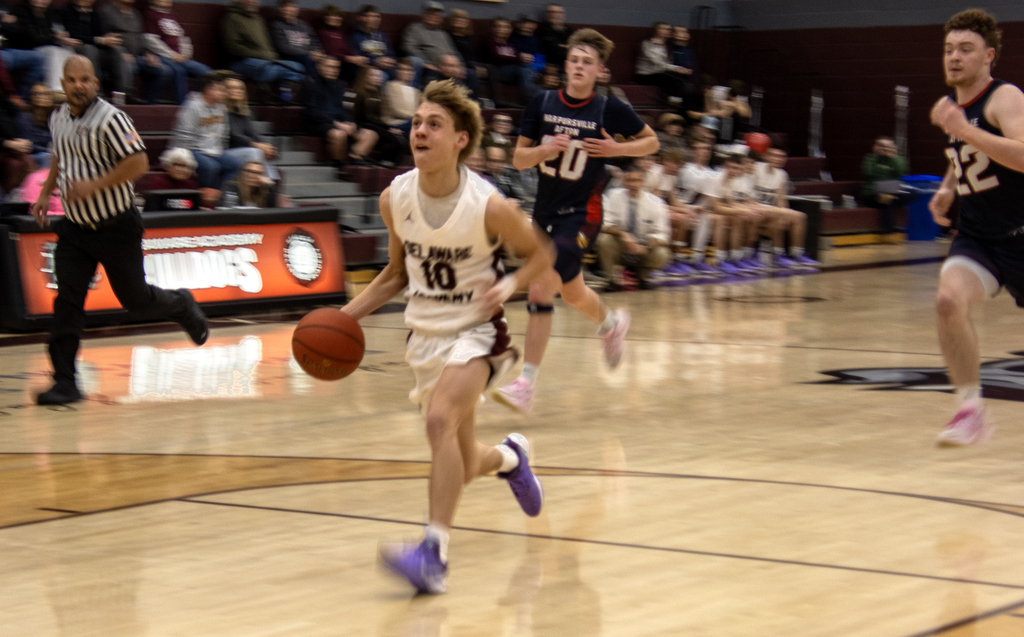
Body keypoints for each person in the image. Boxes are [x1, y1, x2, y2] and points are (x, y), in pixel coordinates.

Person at [340, 78, 551, 595]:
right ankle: (510, 459)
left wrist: (509, 283)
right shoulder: (396, 198)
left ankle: (433, 555)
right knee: (460, 455)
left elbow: (543, 255)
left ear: (461, 139)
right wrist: (343, 318)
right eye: (416, 122)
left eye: (434, 124)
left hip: (479, 331)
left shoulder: (490, 205)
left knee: (438, 420)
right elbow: (395, 274)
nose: (420, 131)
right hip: (425, 336)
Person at [494, 29, 659, 414]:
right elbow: (518, 160)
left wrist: (619, 148)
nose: (580, 66)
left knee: (540, 287)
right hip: (546, 212)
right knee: (571, 293)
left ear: (600, 71)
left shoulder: (608, 108)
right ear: (565, 66)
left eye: (588, 62)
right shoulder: (542, 102)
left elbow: (651, 142)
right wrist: (544, 149)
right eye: (575, 60)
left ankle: (525, 384)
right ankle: (612, 323)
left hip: (584, 216)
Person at [31, 55, 207, 405]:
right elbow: (60, 155)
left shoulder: (112, 118)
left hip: (116, 226)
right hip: (75, 229)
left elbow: (139, 162)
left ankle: (181, 304)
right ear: (63, 84)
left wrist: (94, 185)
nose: (78, 85)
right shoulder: (57, 117)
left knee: (136, 301)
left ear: (95, 83)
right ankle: (65, 381)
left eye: (85, 79)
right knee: (67, 302)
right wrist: (45, 190)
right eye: (71, 79)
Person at [927, 9, 1024, 445]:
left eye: (965, 49)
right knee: (948, 301)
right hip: (980, 236)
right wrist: (949, 186)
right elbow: (969, 152)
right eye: (949, 49)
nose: (954, 57)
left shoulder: (1005, 98)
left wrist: (964, 129)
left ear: (989, 56)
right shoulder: (956, 108)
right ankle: (970, 410)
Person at [170, 73, 265, 188]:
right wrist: (186, 159)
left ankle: (222, 196)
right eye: (220, 90)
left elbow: (224, 132)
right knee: (211, 167)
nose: (224, 94)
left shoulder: (221, 107)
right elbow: (183, 136)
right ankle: (204, 199)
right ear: (208, 89)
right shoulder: (192, 107)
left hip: (214, 151)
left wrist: (222, 148)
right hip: (192, 150)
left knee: (237, 165)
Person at [598, 163, 671, 290]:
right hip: (620, 245)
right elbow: (604, 224)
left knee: (663, 253)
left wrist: (645, 246)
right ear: (623, 181)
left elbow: (663, 234)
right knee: (603, 240)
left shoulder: (657, 203)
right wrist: (624, 235)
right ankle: (611, 280)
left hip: (643, 248)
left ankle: (642, 277)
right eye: (630, 180)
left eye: (637, 180)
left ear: (643, 182)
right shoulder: (611, 196)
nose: (633, 184)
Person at [222, 0, 304, 99]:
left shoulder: (258, 19)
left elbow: (268, 45)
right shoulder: (231, 18)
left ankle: (284, 96)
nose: (254, 2)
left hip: (267, 60)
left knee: (298, 67)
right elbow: (233, 48)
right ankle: (263, 96)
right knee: (268, 69)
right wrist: (263, 56)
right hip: (241, 62)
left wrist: (271, 55)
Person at [752, 146, 818, 268]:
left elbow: (781, 199)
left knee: (800, 217)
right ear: (766, 156)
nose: (778, 159)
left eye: (782, 157)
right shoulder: (756, 168)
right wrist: (780, 213)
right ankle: (777, 254)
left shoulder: (782, 174)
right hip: (754, 209)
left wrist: (785, 213)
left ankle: (796, 254)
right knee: (778, 216)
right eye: (775, 155)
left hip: (771, 211)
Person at [100, 0, 171, 104]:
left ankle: (146, 103)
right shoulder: (106, 11)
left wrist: (148, 53)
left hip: (138, 57)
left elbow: (141, 38)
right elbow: (104, 37)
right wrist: (120, 52)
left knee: (165, 71)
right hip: (117, 56)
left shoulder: (136, 14)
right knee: (128, 66)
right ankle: (122, 103)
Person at [303, 55, 366, 172]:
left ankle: (354, 161)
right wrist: (338, 124)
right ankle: (340, 167)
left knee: (370, 135)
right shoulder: (311, 82)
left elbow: (347, 108)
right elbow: (312, 112)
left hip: (339, 121)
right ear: (319, 66)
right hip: (318, 122)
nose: (333, 70)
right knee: (339, 134)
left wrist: (350, 122)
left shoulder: (342, 84)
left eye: (336, 68)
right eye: (329, 67)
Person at [144, 0, 212, 104]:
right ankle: (182, 106)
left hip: (181, 57)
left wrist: (186, 53)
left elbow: (183, 37)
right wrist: (172, 55)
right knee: (179, 71)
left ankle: (200, 105)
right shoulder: (150, 15)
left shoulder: (171, 16)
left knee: (207, 72)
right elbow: (151, 41)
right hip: (162, 56)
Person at [673, 139, 721, 275]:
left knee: (706, 217)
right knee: (697, 217)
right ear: (693, 151)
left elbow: (711, 199)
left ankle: (697, 259)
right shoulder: (685, 169)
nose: (704, 151)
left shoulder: (713, 173)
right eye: (700, 148)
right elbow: (676, 193)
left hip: (699, 209)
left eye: (707, 149)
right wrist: (687, 207)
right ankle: (678, 260)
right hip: (682, 206)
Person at [9, 0, 73, 92]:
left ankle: (69, 87)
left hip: (46, 45)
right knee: (53, 51)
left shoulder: (51, 13)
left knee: (68, 50)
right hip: (29, 48)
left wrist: (61, 35)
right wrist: (56, 39)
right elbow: (33, 39)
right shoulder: (22, 12)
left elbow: (56, 30)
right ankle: (56, 88)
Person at [224, 75, 280, 180]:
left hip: (241, 150)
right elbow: (233, 134)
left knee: (264, 151)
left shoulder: (242, 112)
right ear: (224, 91)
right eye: (232, 88)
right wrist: (256, 145)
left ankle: (273, 188)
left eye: (240, 88)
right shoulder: (221, 110)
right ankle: (266, 184)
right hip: (225, 151)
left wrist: (266, 147)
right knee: (254, 151)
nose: (237, 91)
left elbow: (252, 133)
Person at [62, 0, 123, 95]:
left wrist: (107, 39)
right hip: (76, 48)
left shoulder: (95, 14)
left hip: (95, 48)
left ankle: (122, 93)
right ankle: (96, 91)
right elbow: (74, 35)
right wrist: (98, 40)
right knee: (91, 50)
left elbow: (100, 35)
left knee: (117, 51)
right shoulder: (68, 11)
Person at [859, 135, 911, 241]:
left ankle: (889, 233)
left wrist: (892, 156)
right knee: (887, 201)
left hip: (892, 192)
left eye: (887, 146)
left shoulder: (898, 160)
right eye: (881, 146)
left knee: (910, 194)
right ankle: (888, 234)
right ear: (875, 147)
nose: (884, 148)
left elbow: (902, 170)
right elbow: (868, 172)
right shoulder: (870, 158)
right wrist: (876, 155)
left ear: (893, 147)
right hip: (871, 194)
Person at [401, 2, 460, 88]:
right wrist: (426, 63)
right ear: (423, 15)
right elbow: (408, 47)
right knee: (418, 62)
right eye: (430, 14)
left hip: (447, 66)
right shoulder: (415, 28)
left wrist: (459, 65)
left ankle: (470, 100)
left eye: (437, 15)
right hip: (428, 65)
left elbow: (453, 51)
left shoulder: (443, 34)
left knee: (469, 73)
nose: (433, 17)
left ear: (441, 19)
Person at [352, 66, 402, 165]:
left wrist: (388, 127)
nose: (377, 78)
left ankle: (383, 161)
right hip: (364, 124)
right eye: (373, 75)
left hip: (376, 124)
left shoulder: (379, 93)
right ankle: (379, 161)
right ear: (365, 76)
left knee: (401, 137)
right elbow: (362, 117)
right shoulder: (360, 93)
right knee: (393, 140)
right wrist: (387, 128)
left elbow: (380, 116)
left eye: (379, 76)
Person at [0, 0, 46, 99]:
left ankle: (23, 98)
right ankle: (12, 100)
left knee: (38, 57)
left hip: (7, 49)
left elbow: (17, 26)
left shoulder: (3, 4)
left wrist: (4, 24)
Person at [484, 15, 533, 106]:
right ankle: (529, 100)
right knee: (523, 69)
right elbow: (496, 57)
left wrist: (524, 58)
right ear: (493, 29)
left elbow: (513, 59)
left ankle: (533, 98)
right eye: (499, 26)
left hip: (512, 73)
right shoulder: (490, 42)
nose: (502, 29)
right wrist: (519, 57)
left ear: (509, 30)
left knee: (528, 68)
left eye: (505, 27)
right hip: (496, 71)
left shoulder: (510, 44)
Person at [635, 22, 686, 106]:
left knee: (679, 78)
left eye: (668, 29)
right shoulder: (647, 44)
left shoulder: (667, 45)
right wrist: (677, 68)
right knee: (673, 79)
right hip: (646, 75)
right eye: (663, 28)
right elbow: (657, 62)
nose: (666, 31)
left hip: (660, 73)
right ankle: (673, 103)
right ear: (656, 30)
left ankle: (677, 102)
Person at [271, 0, 323, 77]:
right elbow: (283, 47)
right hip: (291, 55)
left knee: (329, 60)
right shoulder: (277, 25)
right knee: (308, 59)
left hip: (309, 54)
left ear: (297, 10)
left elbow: (314, 41)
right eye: (284, 7)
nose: (288, 9)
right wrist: (309, 53)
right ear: (280, 10)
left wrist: (318, 51)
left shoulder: (304, 24)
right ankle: (313, 84)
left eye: (291, 6)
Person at [318, 5, 362, 81]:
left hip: (345, 62)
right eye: (333, 15)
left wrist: (357, 57)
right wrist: (349, 58)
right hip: (333, 62)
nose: (337, 18)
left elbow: (347, 50)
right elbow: (330, 53)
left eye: (338, 16)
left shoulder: (340, 33)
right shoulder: (323, 33)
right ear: (325, 18)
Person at [349, 4, 396, 75]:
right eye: (372, 16)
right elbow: (357, 58)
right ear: (362, 18)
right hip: (367, 70)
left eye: (378, 17)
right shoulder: (354, 36)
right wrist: (375, 62)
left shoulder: (382, 36)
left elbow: (391, 54)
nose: (376, 20)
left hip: (386, 68)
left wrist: (390, 60)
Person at [16, 82, 53, 167]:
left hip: (52, 155)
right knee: (46, 157)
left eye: (45, 94)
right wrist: (49, 152)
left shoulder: (55, 118)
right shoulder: (24, 118)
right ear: (31, 97)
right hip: (33, 156)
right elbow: (29, 144)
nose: (41, 97)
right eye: (37, 94)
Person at [382, 57, 419, 136]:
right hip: (395, 124)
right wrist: (417, 117)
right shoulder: (391, 86)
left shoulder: (416, 91)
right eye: (403, 69)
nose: (406, 72)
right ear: (397, 71)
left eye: (409, 70)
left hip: (412, 122)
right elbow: (397, 111)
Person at [536, 4, 571, 70]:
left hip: (569, 65)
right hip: (552, 68)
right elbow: (556, 51)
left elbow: (575, 47)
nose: (553, 15)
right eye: (550, 12)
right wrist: (566, 47)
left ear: (563, 15)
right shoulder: (544, 32)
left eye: (557, 12)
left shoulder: (569, 31)